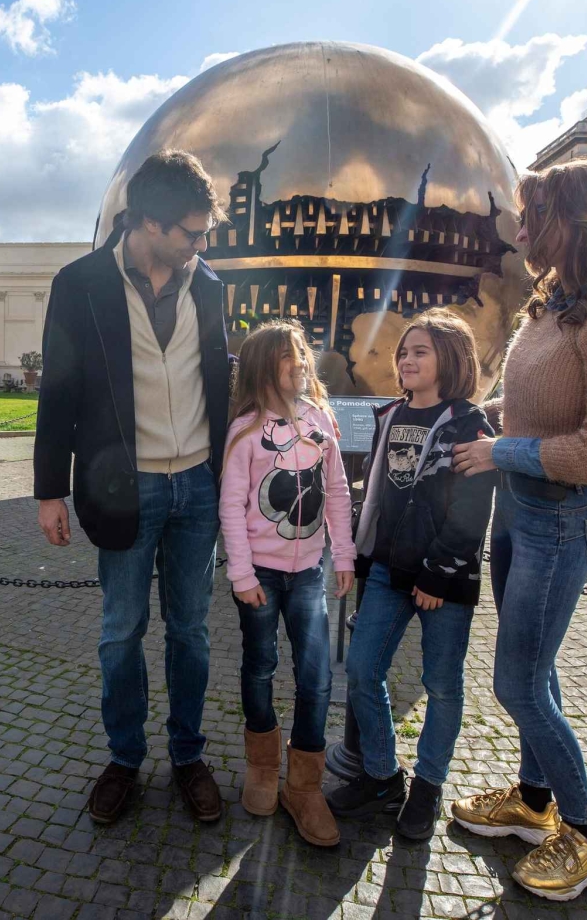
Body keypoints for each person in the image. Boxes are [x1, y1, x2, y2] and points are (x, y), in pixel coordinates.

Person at [450, 158, 587, 901]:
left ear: (578, 219)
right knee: (537, 674)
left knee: (517, 682)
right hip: (518, 512)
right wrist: (489, 415)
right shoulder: (557, 304)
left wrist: (499, 449)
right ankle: (533, 802)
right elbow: (536, 399)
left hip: (561, 521)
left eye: (536, 216)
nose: (524, 232)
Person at [34, 151, 231, 825]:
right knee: (121, 633)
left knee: (193, 633)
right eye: (191, 233)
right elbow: (57, 389)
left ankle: (187, 755)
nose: (202, 246)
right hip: (126, 488)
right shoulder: (80, 283)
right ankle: (124, 757)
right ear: (147, 223)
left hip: (198, 487)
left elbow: (220, 382)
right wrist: (48, 489)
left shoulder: (208, 285)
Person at [326, 310, 496, 842]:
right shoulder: (388, 416)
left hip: (444, 581)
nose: (407, 359)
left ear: (451, 358)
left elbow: (471, 511)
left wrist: (437, 575)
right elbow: (375, 494)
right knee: (361, 667)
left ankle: (428, 784)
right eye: (404, 351)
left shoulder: (470, 425)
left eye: (420, 351)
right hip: (387, 571)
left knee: (441, 685)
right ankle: (382, 776)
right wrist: (357, 552)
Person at [219, 319, 355, 847]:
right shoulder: (246, 430)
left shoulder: (322, 420)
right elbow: (231, 504)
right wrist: (241, 572)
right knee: (260, 667)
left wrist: (343, 556)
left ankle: (304, 785)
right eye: (287, 355)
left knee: (316, 675)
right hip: (260, 576)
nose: (300, 362)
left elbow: (338, 492)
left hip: (308, 574)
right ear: (261, 366)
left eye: (302, 352)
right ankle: (261, 768)